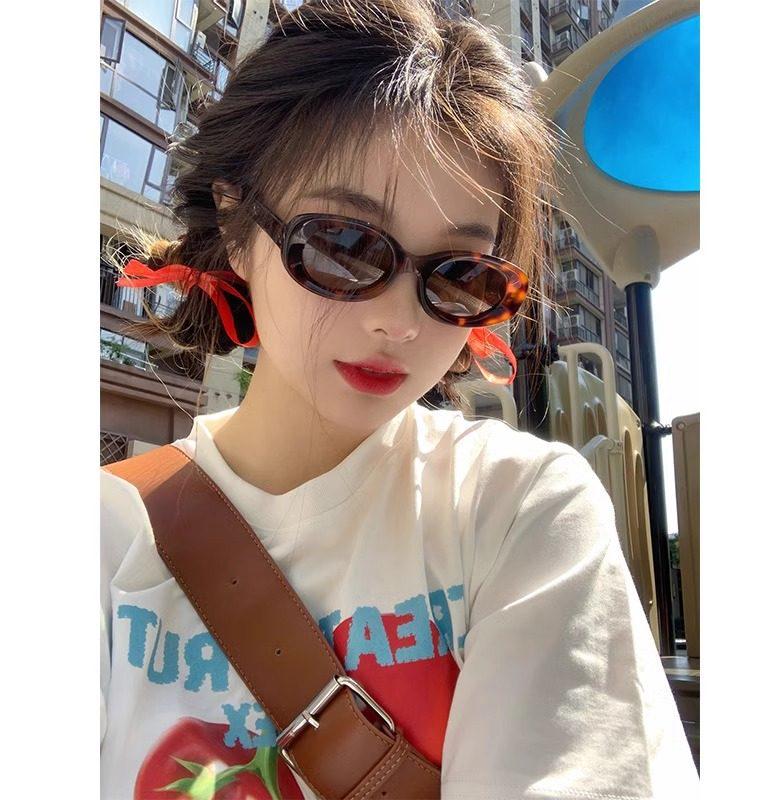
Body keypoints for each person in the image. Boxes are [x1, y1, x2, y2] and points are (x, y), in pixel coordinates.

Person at [100, 1, 699, 798]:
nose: (399, 321)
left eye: (459, 275)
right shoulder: (103, 536)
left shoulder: (516, 507)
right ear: (239, 227)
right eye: (343, 245)